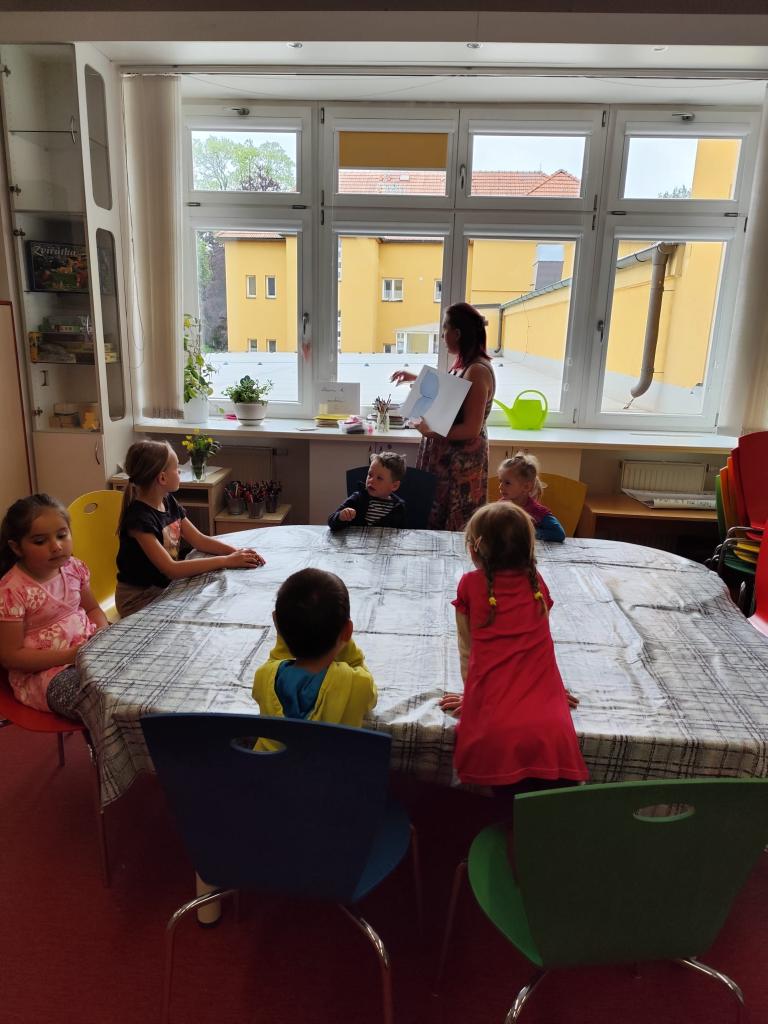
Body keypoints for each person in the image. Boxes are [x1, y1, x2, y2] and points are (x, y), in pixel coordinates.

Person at [439, 502, 587, 818]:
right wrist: (550, 692)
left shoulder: (470, 584)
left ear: (475, 548)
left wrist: (474, 697)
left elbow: (468, 652)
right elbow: (535, 645)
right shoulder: (537, 583)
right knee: (548, 822)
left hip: (497, 729)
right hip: (551, 728)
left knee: (510, 822)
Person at [116, 439, 265, 618]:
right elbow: (171, 569)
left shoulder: (168, 501)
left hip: (162, 588)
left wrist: (237, 553)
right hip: (137, 599)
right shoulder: (138, 520)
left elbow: (199, 540)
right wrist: (226, 560)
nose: (179, 471)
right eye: (176, 468)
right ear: (162, 478)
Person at [0, 494, 109, 718]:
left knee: (136, 671)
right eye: (40, 541)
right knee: (99, 699)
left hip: (86, 650)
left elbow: (92, 609)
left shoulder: (74, 568)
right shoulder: (11, 591)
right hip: (44, 675)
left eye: (62, 535)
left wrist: (101, 633)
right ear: (17, 547)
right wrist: (70, 656)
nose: (56, 546)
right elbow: (11, 656)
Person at [391, 302, 495, 532]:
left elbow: (471, 428)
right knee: (435, 522)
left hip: (461, 465)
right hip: (447, 459)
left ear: (457, 333)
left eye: (444, 329)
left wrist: (431, 432)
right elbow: (450, 396)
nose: (442, 336)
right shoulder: (464, 365)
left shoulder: (477, 370)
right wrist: (415, 378)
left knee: (455, 526)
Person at [253, 568, 376, 728]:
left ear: (276, 622)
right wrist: (344, 639)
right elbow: (369, 691)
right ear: (347, 631)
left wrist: (284, 632)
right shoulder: (359, 685)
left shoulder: (263, 677)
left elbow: (276, 660)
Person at [328, 451, 407, 532]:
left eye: (379, 478)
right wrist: (341, 517)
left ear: (394, 486)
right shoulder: (358, 498)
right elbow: (331, 522)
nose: (371, 480)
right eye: (370, 475)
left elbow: (402, 534)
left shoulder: (398, 507)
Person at [497, 452, 566, 543]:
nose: (500, 487)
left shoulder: (538, 512)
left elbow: (559, 534)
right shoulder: (499, 507)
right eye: (500, 481)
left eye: (507, 483)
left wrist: (529, 533)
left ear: (526, 487)